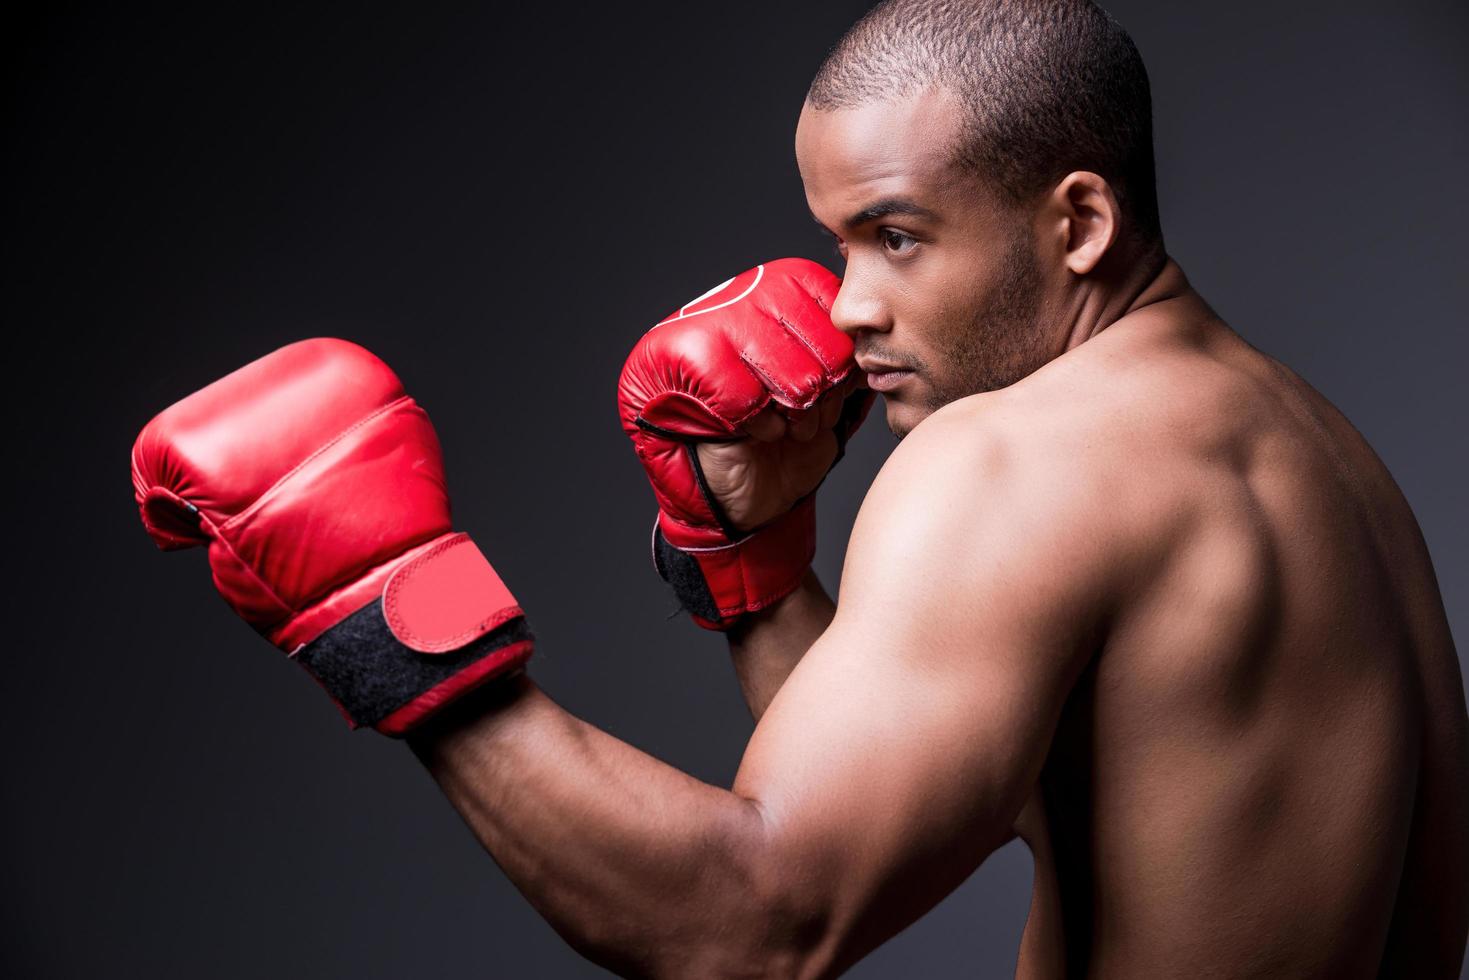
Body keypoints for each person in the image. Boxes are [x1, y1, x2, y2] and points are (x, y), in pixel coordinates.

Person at [132, 1, 1467, 976]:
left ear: (1076, 223)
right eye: (837, 244)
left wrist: (386, 619)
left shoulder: (1016, 459)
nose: (848, 306)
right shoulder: (1315, 455)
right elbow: (990, 803)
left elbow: (753, 929)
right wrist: (755, 557)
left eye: (896, 237)